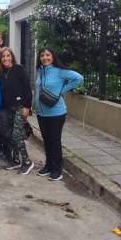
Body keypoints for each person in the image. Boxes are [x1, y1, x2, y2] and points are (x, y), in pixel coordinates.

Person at [35, 47, 83, 181]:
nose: (45, 58)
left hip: (56, 113)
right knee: (47, 141)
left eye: (47, 55)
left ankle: (57, 169)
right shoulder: (40, 71)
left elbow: (78, 78)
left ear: (53, 56)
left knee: (55, 141)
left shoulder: (60, 71)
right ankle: (48, 166)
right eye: (42, 55)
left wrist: (62, 90)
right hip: (41, 113)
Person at [0, 48, 34, 175]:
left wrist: (27, 107)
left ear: (12, 57)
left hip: (20, 107)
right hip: (8, 109)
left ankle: (27, 162)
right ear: (0, 59)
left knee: (17, 135)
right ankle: (16, 161)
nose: (6, 58)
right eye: (3, 57)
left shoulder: (19, 69)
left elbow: (27, 89)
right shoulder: (0, 73)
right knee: (12, 135)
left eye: (8, 56)